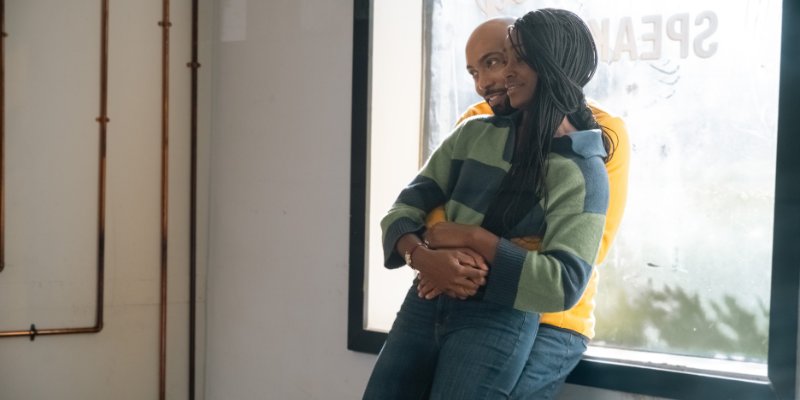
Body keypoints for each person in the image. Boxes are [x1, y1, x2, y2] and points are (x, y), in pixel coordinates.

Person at [363, 9, 618, 399]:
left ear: (552, 64)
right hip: (424, 300)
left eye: (517, 60)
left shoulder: (582, 170)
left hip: (499, 319)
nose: (502, 75)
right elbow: (400, 212)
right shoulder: (472, 134)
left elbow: (562, 284)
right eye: (504, 60)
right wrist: (422, 256)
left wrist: (470, 237)